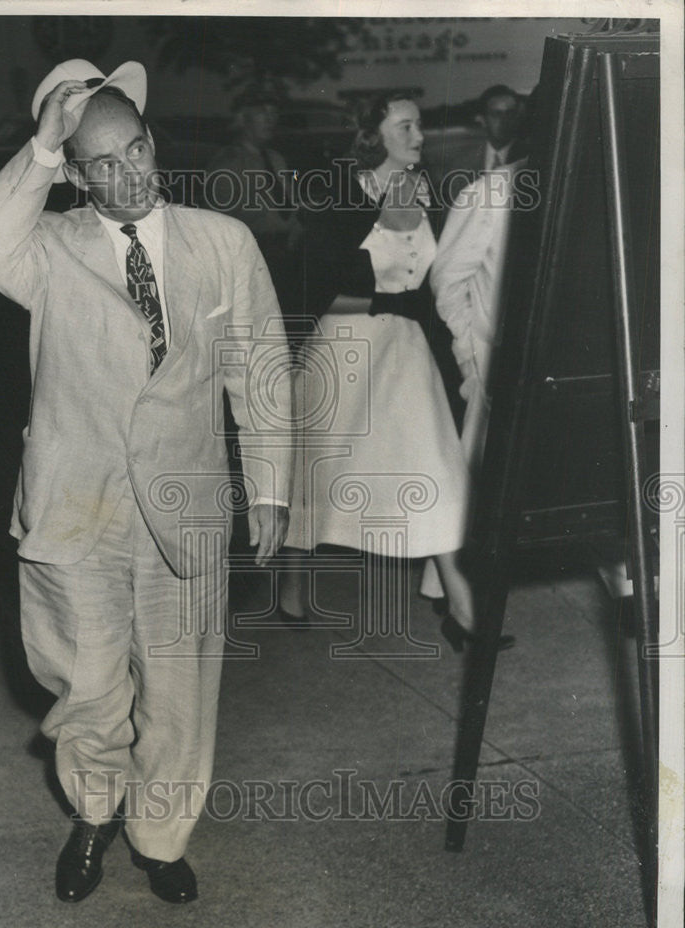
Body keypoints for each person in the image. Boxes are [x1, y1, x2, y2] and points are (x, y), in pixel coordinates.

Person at [0, 59, 291, 905]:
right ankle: (95, 814)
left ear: (153, 141)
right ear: (74, 174)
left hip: (185, 509)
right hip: (77, 509)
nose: (130, 172)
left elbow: (259, 371)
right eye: (102, 162)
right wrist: (38, 147)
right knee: (88, 688)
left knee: (181, 692)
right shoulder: (46, 250)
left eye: (136, 148)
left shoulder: (223, 243)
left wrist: (271, 487)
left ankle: (161, 837)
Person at [279, 92, 505, 652]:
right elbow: (310, 288)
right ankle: (290, 584)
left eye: (420, 125)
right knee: (316, 475)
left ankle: (461, 607)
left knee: (441, 474)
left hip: (406, 355)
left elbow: (442, 279)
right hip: (343, 353)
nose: (419, 135)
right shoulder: (342, 195)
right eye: (405, 126)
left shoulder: (433, 192)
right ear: (373, 135)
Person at [418, 160, 525, 606]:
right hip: (497, 357)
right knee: (477, 474)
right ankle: (452, 595)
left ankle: (630, 585)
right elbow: (446, 281)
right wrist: (471, 353)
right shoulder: (492, 191)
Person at [204, 87, 302, 316]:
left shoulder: (276, 159)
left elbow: (291, 204)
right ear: (242, 118)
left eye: (274, 112)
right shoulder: (228, 165)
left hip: (286, 255)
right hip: (254, 259)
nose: (270, 118)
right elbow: (217, 225)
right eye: (261, 112)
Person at [440, 84, 527, 206]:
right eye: (496, 114)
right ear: (482, 119)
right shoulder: (461, 165)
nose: (504, 121)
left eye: (510, 113)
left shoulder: (528, 160)